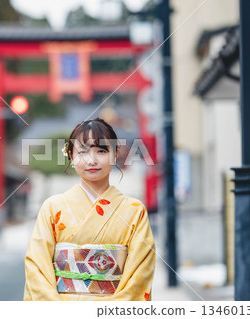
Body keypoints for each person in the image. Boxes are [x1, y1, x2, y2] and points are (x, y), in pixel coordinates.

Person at [23, 118, 156, 301]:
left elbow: (140, 272)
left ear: (115, 154)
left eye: (101, 151)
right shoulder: (52, 208)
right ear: (71, 156)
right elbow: (36, 267)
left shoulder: (134, 211)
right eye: (83, 152)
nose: (92, 160)